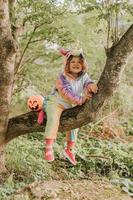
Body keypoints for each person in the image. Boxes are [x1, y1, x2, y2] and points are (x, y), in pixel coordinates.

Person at [43, 47, 98, 165]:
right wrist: (81, 99)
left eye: (79, 62)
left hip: (71, 104)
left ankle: (69, 149)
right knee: (53, 118)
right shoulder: (62, 77)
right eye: (73, 62)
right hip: (56, 102)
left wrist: (91, 86)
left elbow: (88, 82)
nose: (76, 64)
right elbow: (65, 92)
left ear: (83, 64)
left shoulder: (84, 76)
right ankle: (48, 146)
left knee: (75, 121)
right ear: (67, 64)